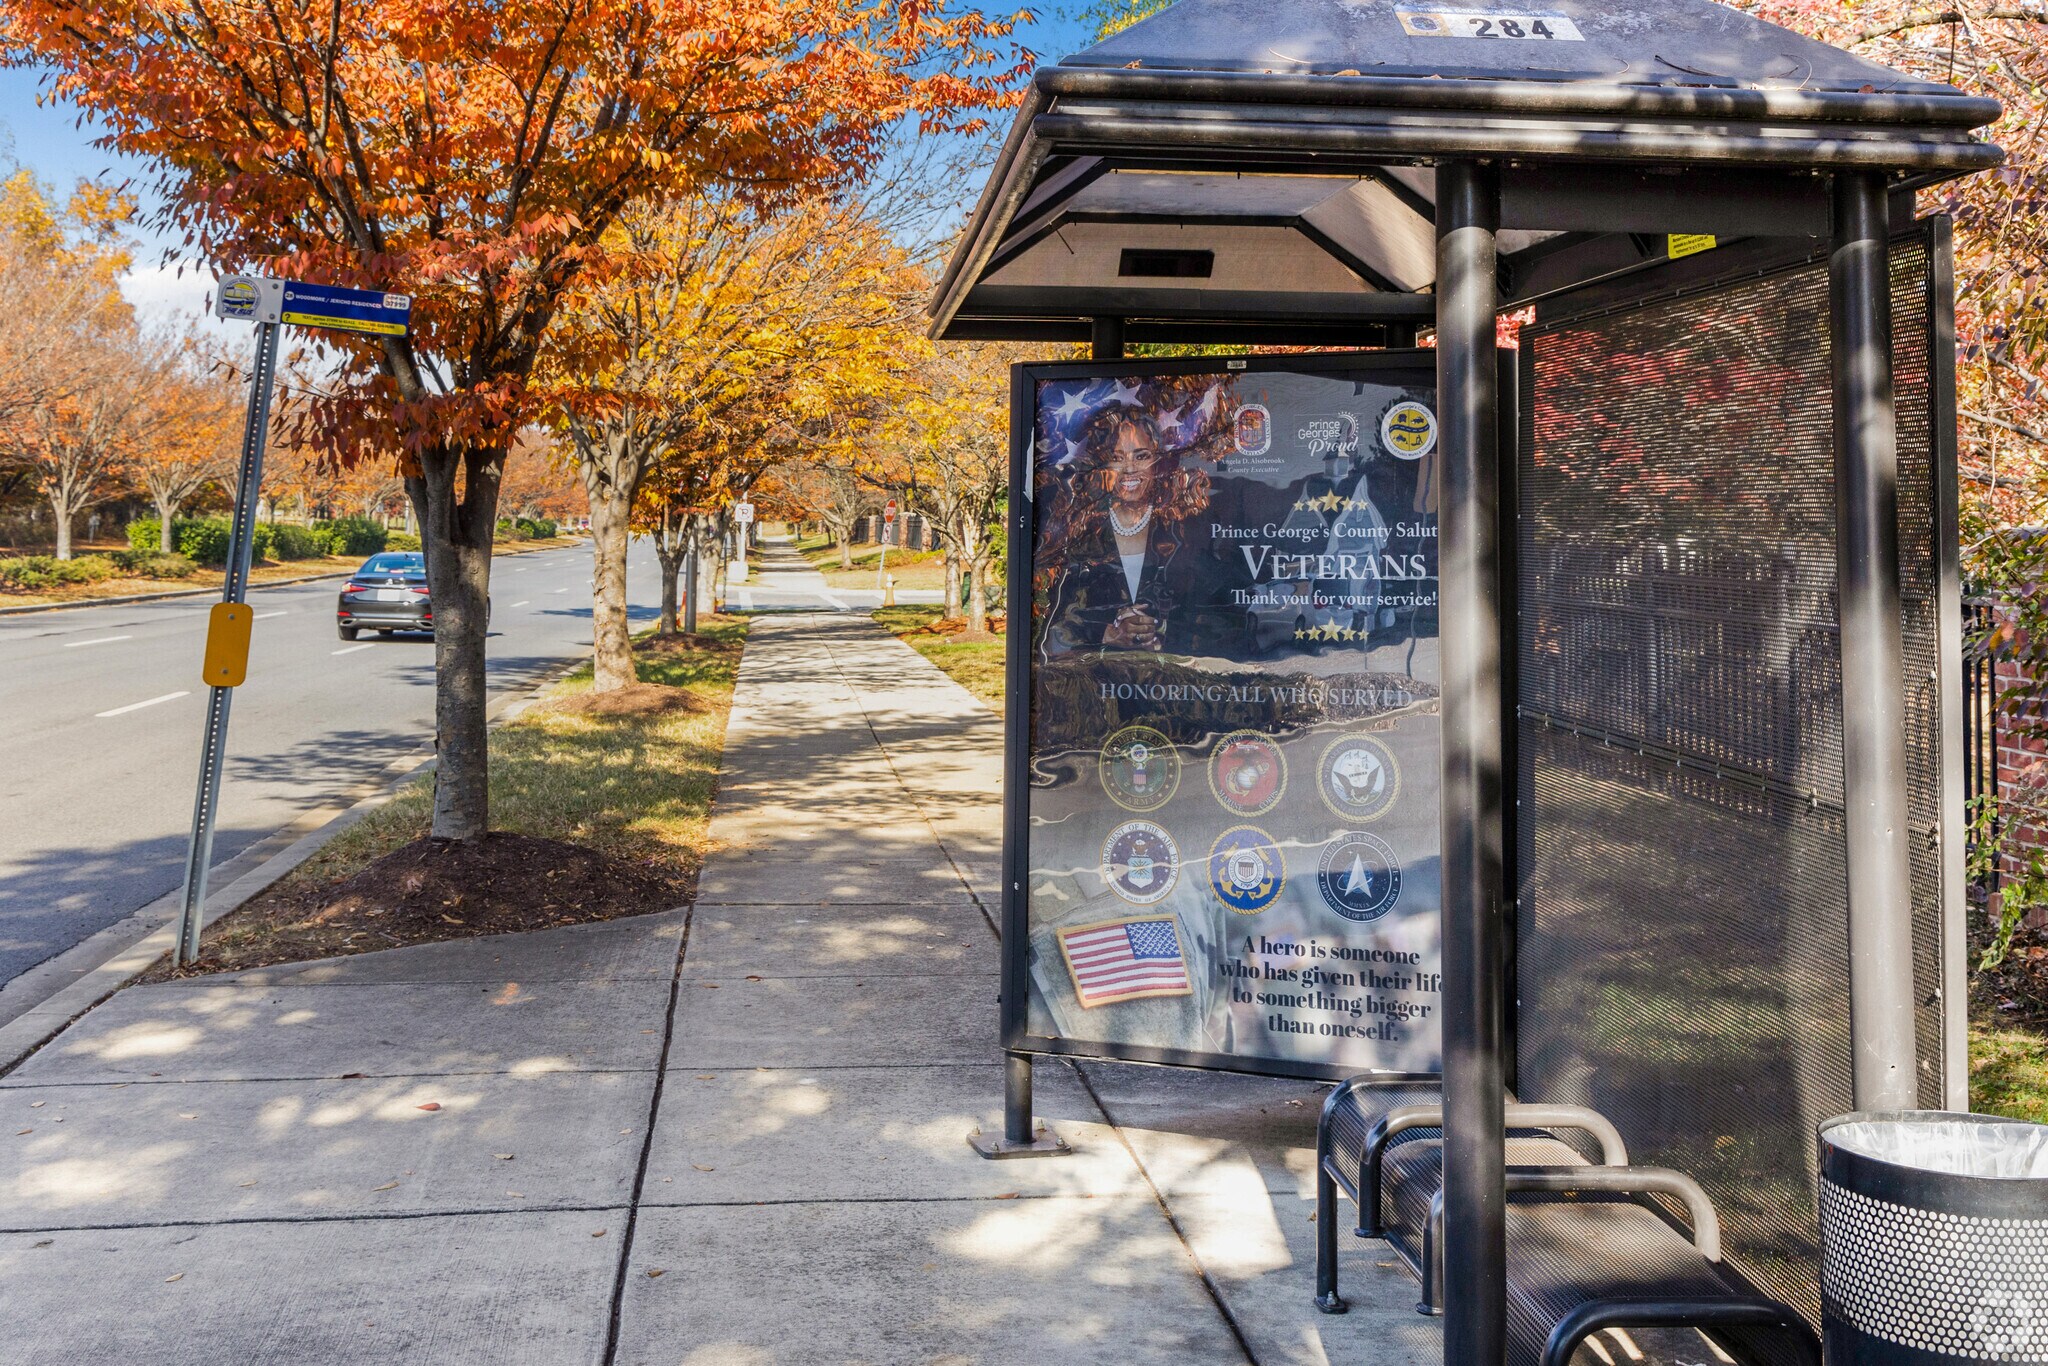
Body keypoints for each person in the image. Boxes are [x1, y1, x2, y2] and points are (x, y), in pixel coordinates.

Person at [1038, 403, 1219, 659]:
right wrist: (1108, 634)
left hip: (1173, 684)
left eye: (1141, 455)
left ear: (1157, 463)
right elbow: (1053, 633)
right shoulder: (1080, 534)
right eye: (1117, 457)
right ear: (1104, 465)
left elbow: (1210, 615)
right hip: (1100, 686)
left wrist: (1157, 631)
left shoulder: (1184, 530)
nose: (1129, 468)